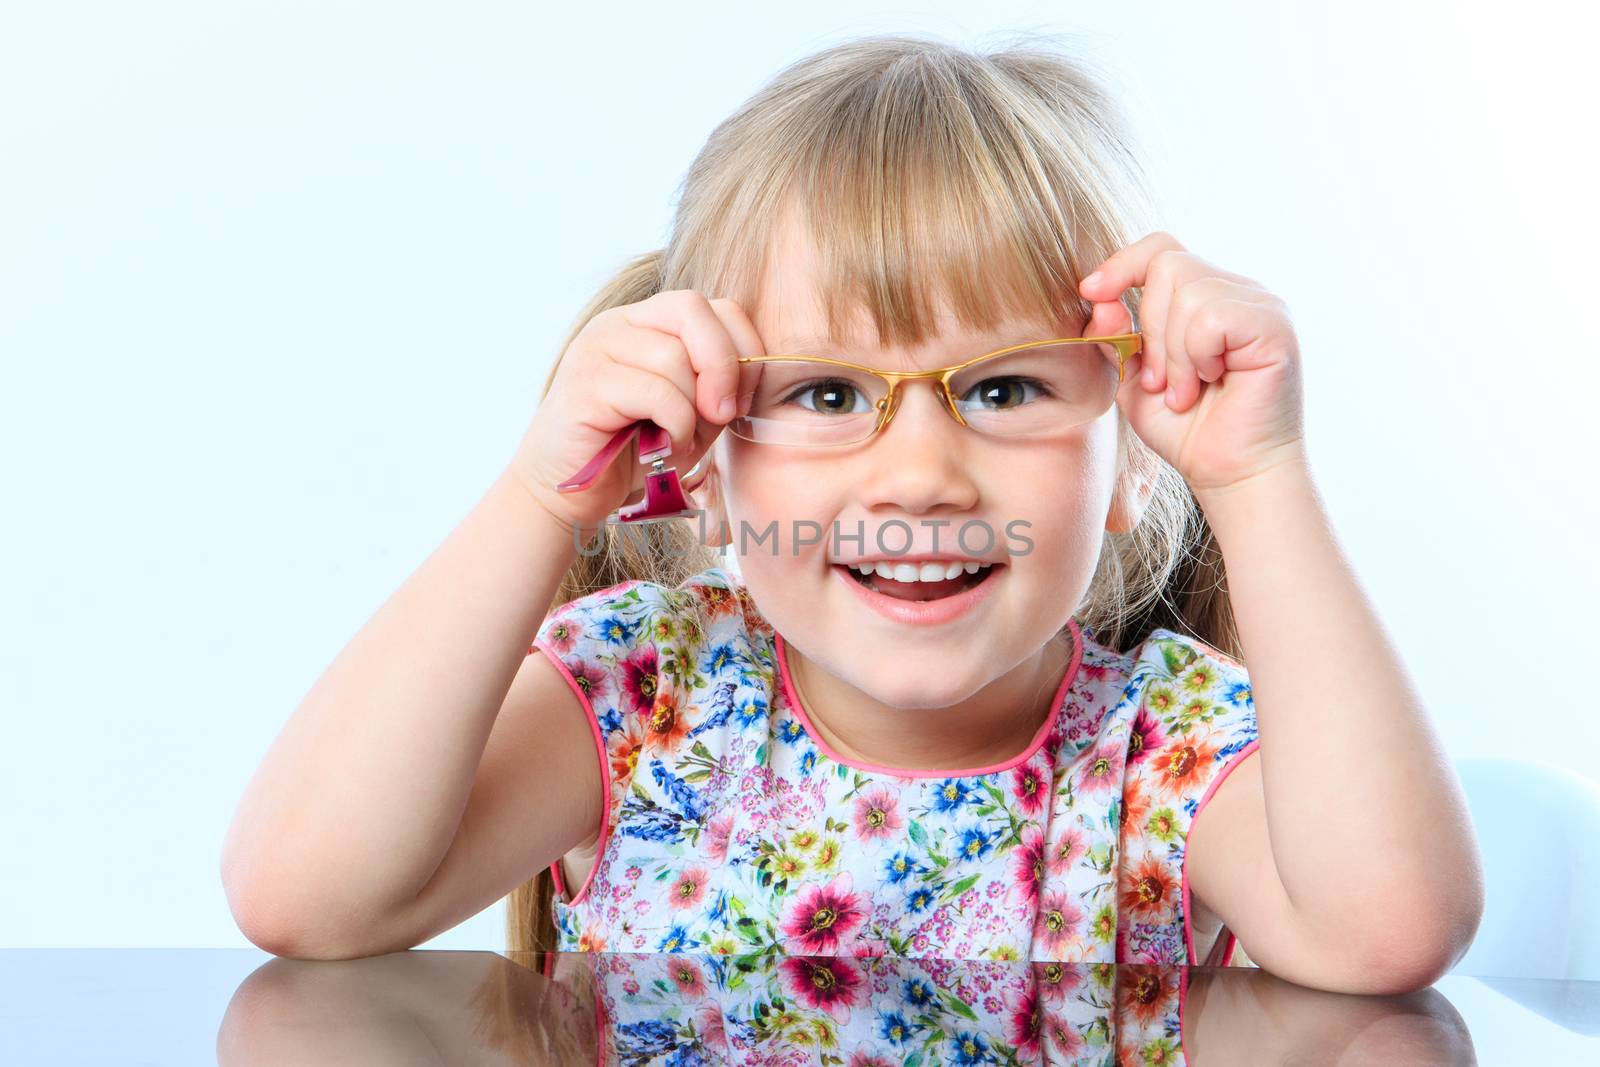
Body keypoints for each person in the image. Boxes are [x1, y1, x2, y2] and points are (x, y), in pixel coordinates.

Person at [221, 33, 1484, 1001]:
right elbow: (303, 896)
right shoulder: (646, 696)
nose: (922, 474)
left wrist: (1256, 480)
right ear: (702, 464)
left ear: (1132, 464)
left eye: (1004, 387)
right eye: (827, 392)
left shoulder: (1162, 743)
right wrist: (535, 500)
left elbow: (1386, 930)